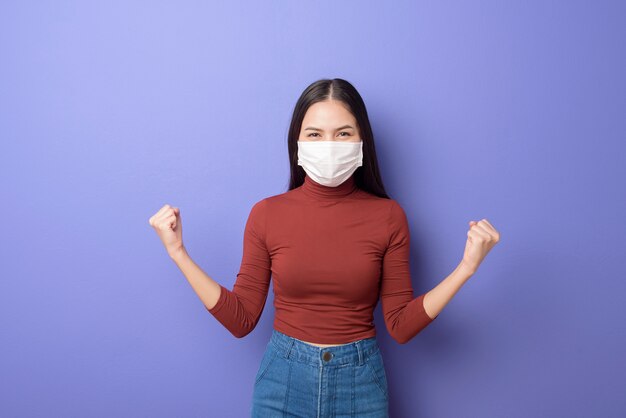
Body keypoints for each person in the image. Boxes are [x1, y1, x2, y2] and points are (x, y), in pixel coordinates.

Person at [148, 78, 501, 417]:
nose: (328, 144)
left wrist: (466, 268)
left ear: (362, 141)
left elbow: (400, 326)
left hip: (359, 386)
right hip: (282, 382)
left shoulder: (388, 217)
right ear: (297, 143)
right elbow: (240, 319)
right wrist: (178, 252)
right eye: (315, 134)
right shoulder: (266, 214)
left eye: (343, 133)